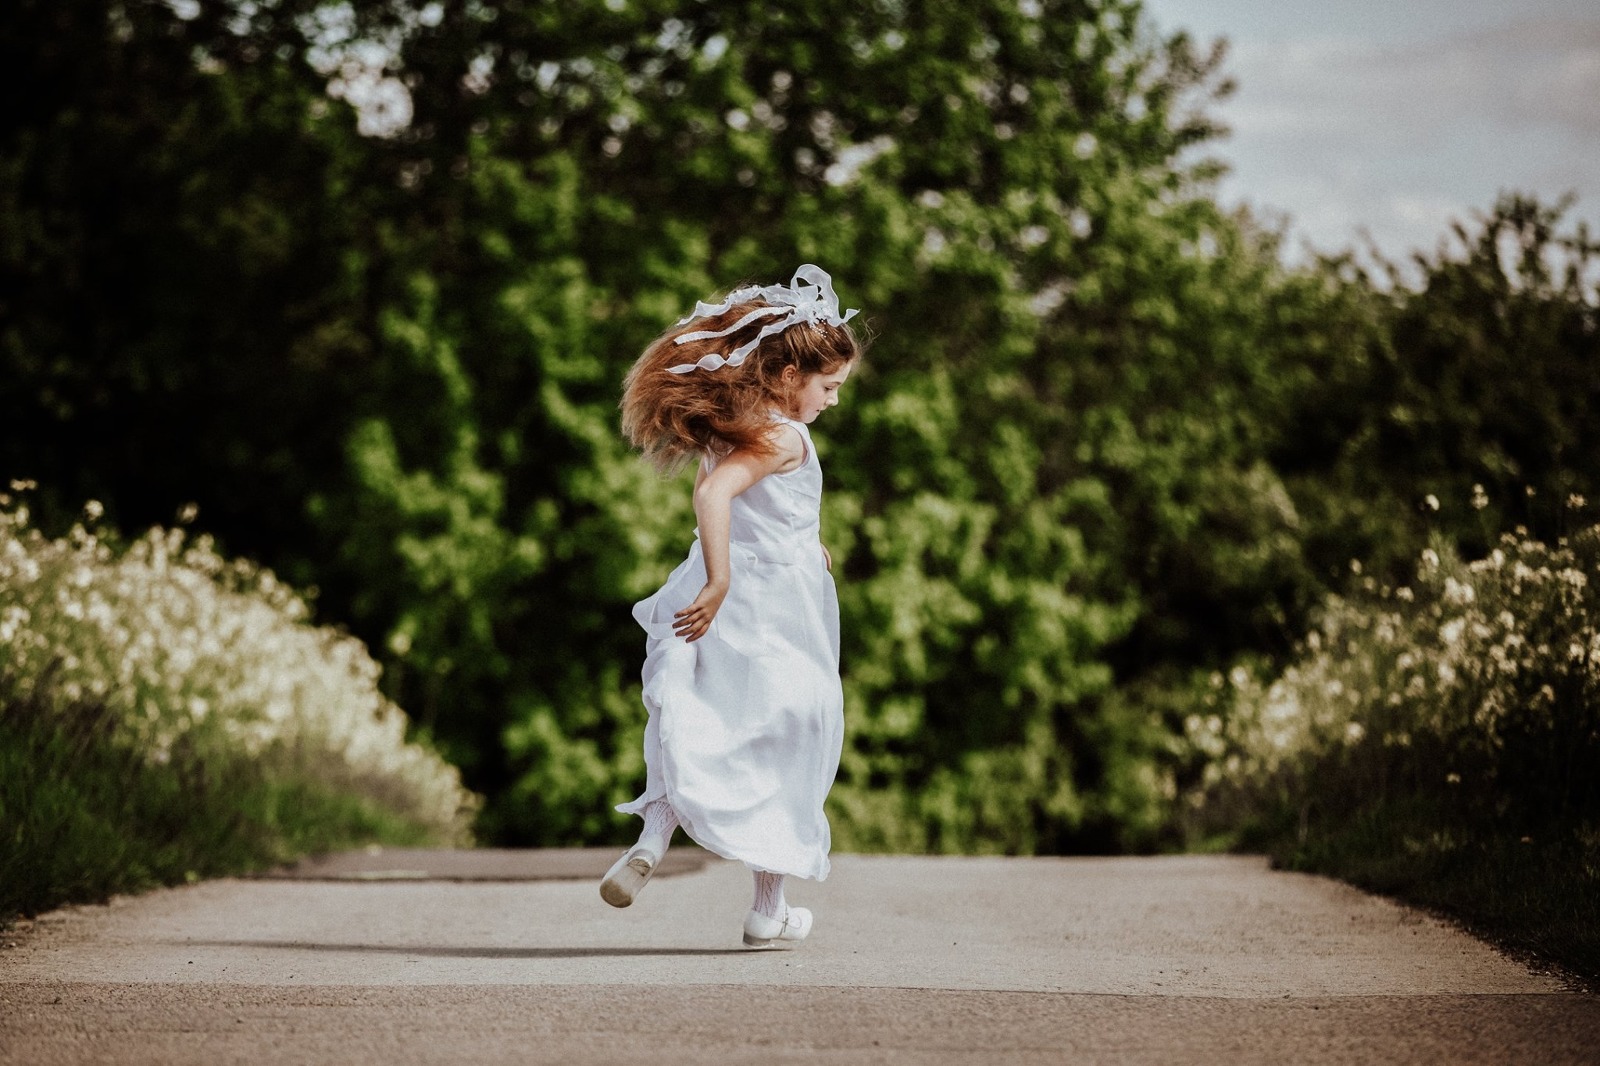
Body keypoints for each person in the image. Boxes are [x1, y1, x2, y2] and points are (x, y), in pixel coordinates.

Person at [602, 264, 862, 948]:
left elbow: (756, 506)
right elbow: (713, 499)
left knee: (696, 708)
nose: (833, 402)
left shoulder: (740, 425)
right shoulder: (787, 437)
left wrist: (810, 543)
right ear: (786, 378)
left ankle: (653, 836)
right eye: (828, 387)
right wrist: (719, 582)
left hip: (746, 573)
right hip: (764, 601)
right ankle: (767, 909)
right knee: (790, 731)